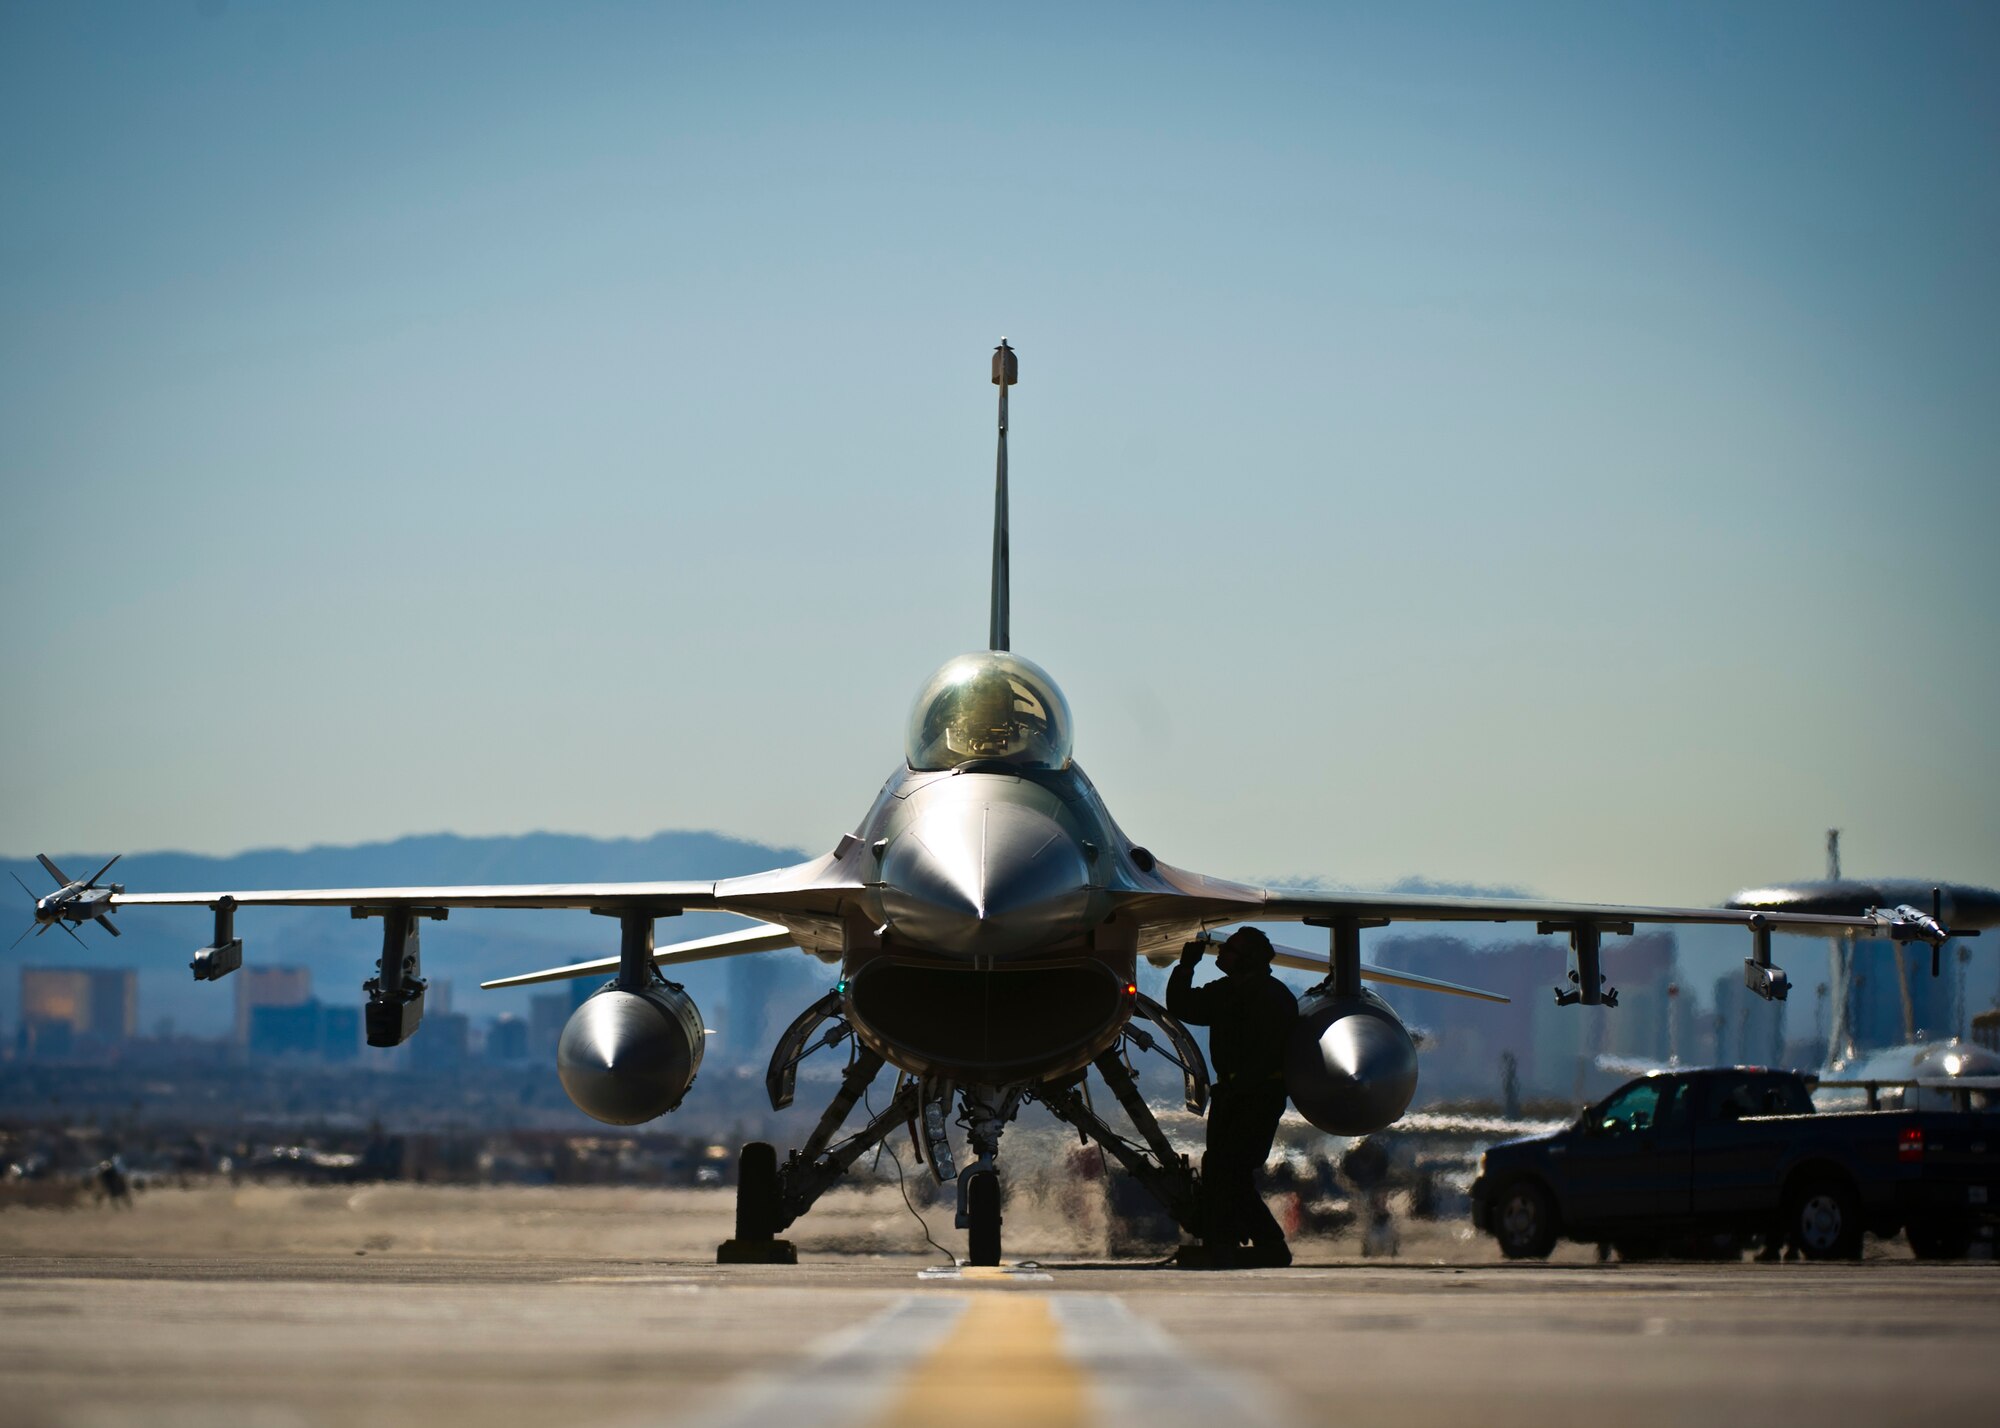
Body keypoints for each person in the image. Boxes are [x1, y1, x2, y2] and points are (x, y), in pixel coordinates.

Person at [1168, 927, 1298, 1267]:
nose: (1221, 952)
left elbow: (1271, 1054)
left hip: (1258, 1097)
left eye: (1230, 949)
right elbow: (1182, 1004)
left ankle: (1269, 1244)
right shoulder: (1229, 992)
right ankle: (1221, 1243)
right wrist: (1186, 967)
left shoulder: (1273, 998)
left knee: (1232, 1172)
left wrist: (1243, 1090)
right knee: (1218, 1170)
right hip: (1231, 1095)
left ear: (1249, 959)